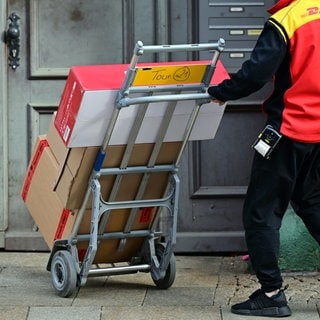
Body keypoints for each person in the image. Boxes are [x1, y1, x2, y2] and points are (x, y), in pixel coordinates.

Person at [208, 0, 320, 317]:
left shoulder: (287, 20)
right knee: (312, 202)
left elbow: (256, 74)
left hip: (289, 130)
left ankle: (271, 293)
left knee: (261, 210)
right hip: (318, 133)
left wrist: (220, 91)